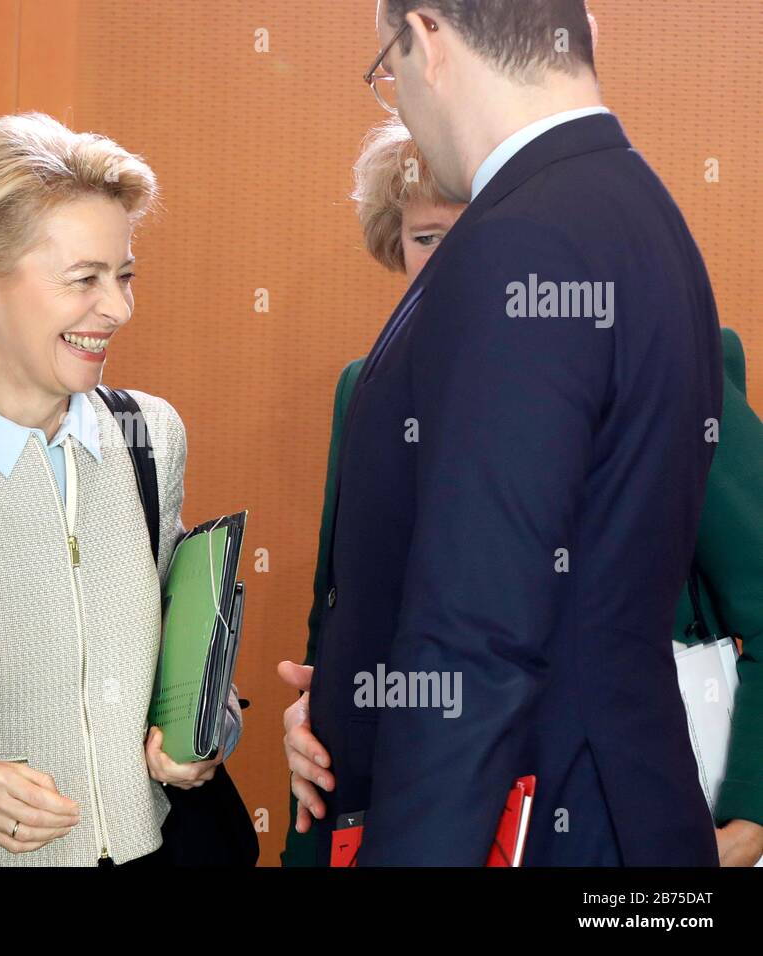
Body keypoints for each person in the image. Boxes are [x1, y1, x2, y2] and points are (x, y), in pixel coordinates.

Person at [291, 0, 723, 866]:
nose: (402, 100)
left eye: (390, 68)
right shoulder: (637, 206)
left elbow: (476, 637)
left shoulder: (521, 239)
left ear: (430, 39)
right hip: (623, 811)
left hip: (543, 822)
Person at [0, 112, 244, 866]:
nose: (118, 308)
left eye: (124, 275)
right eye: (85, 280)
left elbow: (177, 659)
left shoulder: (150, 435)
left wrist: (210, 726)